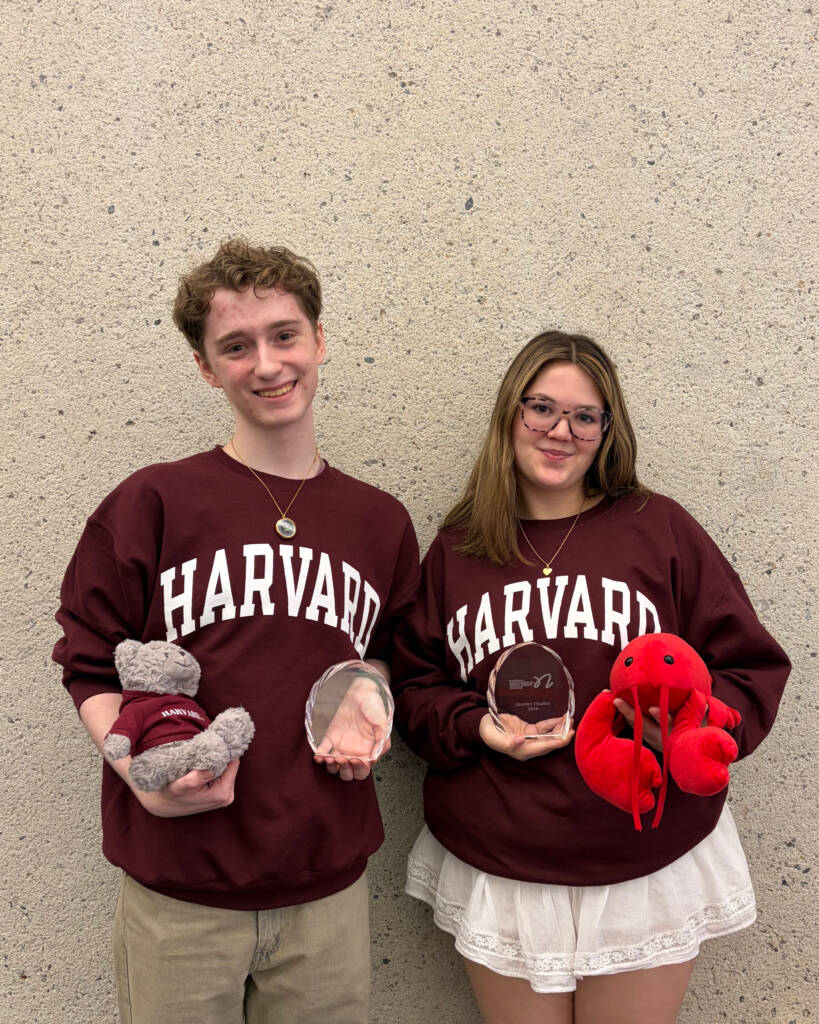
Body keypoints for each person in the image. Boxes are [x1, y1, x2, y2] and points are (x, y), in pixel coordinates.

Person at [53, 239, 420, 1024]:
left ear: (319, 341)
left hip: (325, 884)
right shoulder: (153, 502)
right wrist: (137, 779)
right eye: (235, 345)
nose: (266, 363)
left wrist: (369, 696)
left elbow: (390, 657)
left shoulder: (378, 522)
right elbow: (87, 663)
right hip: (178, 888)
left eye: (284, 335)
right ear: (205, 368)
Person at [391, 330, 789, 1024]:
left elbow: (749, 665)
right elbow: (413, 685)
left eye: (584, 415)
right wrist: (476, 727)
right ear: (508, 415)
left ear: (607, 431)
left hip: (644, 851)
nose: (559, 431)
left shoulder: (656, 528)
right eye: (539, 407)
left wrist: (691, 727)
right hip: (503, 855)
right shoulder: (460, 545)